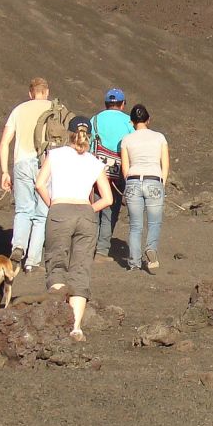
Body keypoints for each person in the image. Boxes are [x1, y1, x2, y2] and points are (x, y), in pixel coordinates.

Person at [35, 115, 113, 341]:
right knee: (81, 270)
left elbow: (39, 184)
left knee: (57, 264)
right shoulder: (95, 162)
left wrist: (52, 204)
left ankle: (58, 321)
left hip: (60, 210)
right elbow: (107, 199)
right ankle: (76, 326)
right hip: (86, 215)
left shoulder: (55, 154)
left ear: (68, 133)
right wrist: (89, 209)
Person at [0, 77, 53, 273]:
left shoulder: (18, 110)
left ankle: (18, 246)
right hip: (46, 163)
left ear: (30, 93)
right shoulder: (55, 109)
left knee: (23, 210)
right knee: (41, 214)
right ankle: (32, 261)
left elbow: (4, 142)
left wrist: (5, 171)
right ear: (46, 92)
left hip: (21, 163)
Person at [120, 104, 170, 273]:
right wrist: (162, 183)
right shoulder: (159, 137)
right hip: (154, 179)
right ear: (148, 119)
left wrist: (129, 183)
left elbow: (125, 168)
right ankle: (151, 248)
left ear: (132, 122)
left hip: (134, 180)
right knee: (154, 222)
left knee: (135, 225)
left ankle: (134, 263)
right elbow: (165, 163)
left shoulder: (126, 139)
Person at [90, 87, 134, 263]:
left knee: (93, 207)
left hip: (95, 171)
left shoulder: (95, 120)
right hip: (118, 172)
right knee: (111, 209)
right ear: (123, 104)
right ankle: (101, 250)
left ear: (106, 104)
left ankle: (88, 247)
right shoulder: (129, 122)